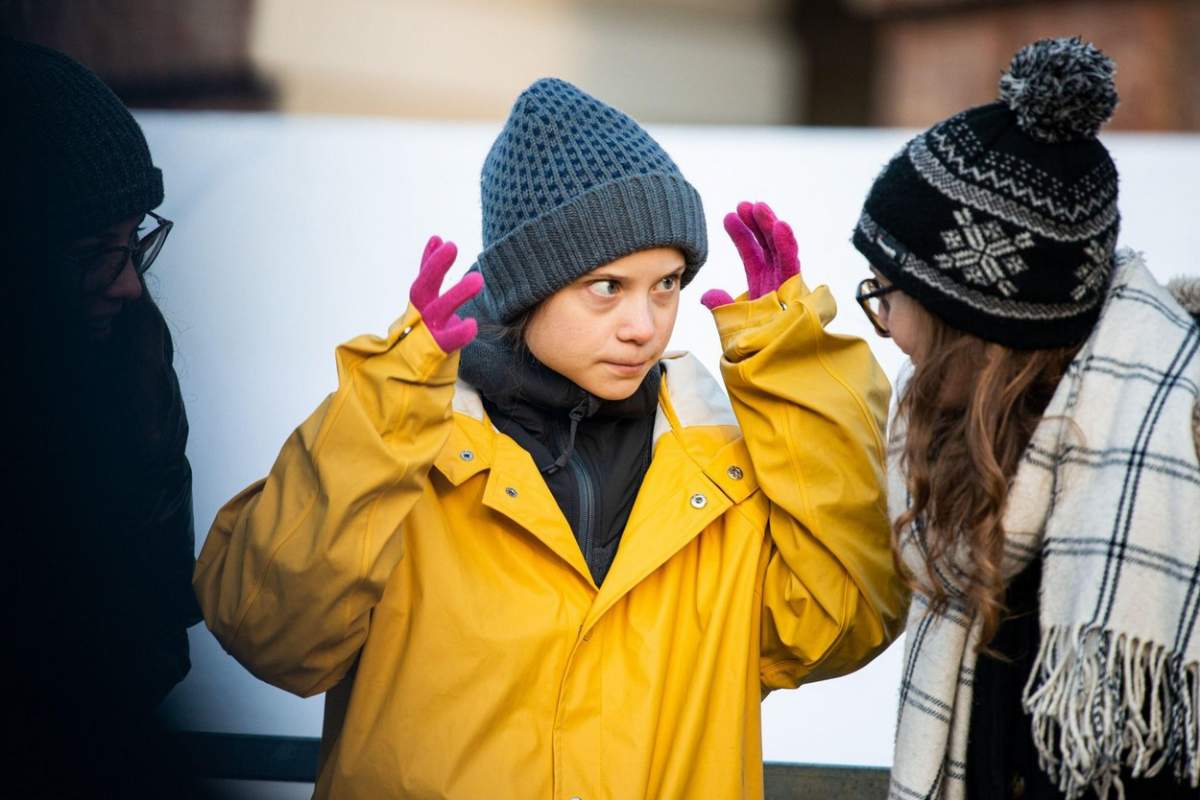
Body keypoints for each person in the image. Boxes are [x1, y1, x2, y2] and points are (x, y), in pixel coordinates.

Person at [194, 77, 907, 798]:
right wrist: (385, 409)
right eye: (607, 287)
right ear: (527, 286)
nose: (645, 324)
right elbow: (273, 634)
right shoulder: (407, 447)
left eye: (667, 284)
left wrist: (798, 371)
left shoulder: (713, 464)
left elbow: (840, 620)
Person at [851, 37, 1200, 799]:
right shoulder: (984, 465)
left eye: (884, 294)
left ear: (965, 324)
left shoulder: (1170, 468)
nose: (883, 326)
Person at [1, 37, 203, 797]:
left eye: (132, 246)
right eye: (92, 252)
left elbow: (159, 626)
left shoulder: (133, 354)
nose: (124, 287)